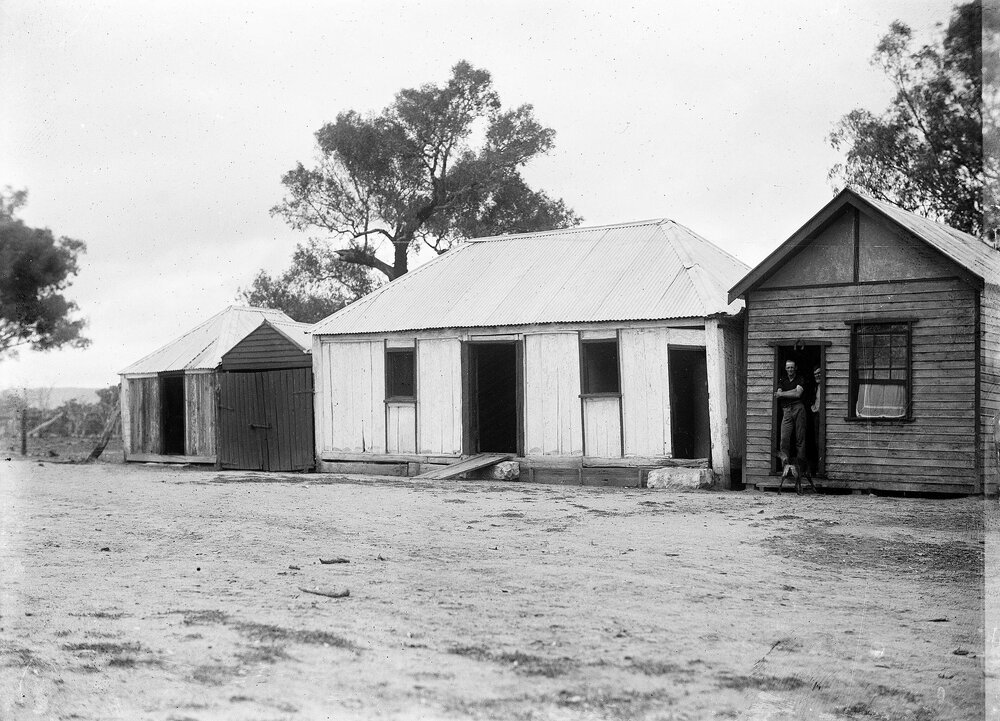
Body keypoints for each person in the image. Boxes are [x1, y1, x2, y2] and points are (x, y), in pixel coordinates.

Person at [775, 360, 807, 468]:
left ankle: (800, 467)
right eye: (788, 367)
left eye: (792, 367)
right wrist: (791, 391)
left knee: (800, 438)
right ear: (785, 368)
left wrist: (783, 393)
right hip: (786, 410)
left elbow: (798, 394)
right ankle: (785, 467)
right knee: (784, 439)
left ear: (796, 368)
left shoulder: (800, 378)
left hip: (798, 408)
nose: (790, 370)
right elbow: (778, 394)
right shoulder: (782, 380)